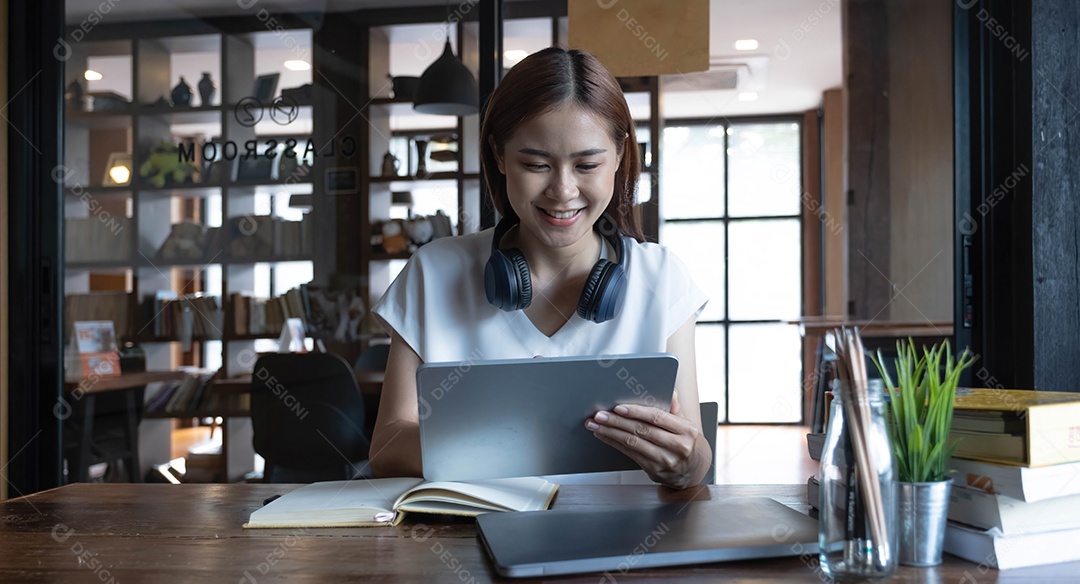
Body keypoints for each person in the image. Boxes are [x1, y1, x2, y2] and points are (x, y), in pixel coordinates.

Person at [368, 47, 711, 489]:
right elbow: (386, 448)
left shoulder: (662, 278)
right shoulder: (433, 273)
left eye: (587, 165)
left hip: (623, 543)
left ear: (621, 155)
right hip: (467, 540)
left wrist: (686, 464)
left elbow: (697, 453)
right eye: (536, 165)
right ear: (498, 156)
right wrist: (519, 437)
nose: (563, 191)